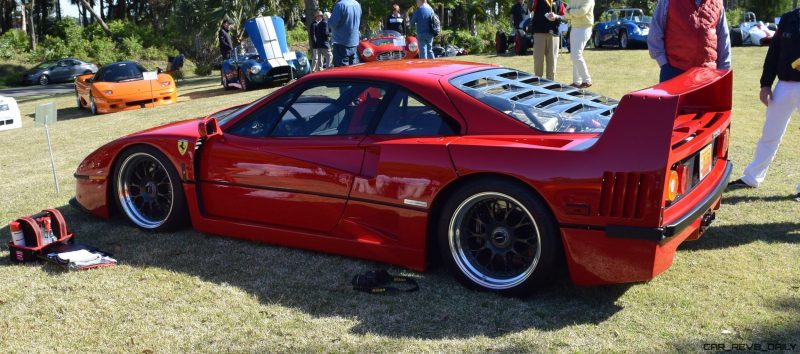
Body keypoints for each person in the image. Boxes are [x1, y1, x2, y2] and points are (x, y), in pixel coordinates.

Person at [728, 8, 800, 202]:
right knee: (770, 134)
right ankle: (752, 178)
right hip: (783, 85)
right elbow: (774, 51)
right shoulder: (788, 19)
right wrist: (765, 84)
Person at [647, 0, 731, 83]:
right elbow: (655, 32)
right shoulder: (668, 1)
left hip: (708, 75)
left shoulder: (717, 2)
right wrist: (664, 65)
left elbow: (723, 40)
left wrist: (723, 72)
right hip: (674, 72)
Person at [529, 0, 566, 80]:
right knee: (538, 62)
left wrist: (556, 16)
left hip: (554, 35)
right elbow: (530, 8)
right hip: (539, 33)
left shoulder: (559, 2)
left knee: (552, 63)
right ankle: (538, 84)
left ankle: (551, 86)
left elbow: (564, 17)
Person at [564, 0, 594, 88]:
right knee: (574, 55)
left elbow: (582, 12)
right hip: (574, 28)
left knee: (576, 54)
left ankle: (587, 80)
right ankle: (577, 82)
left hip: (584, 28)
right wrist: (572, 12)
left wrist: (571, 11)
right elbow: (566, 14)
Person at [329, 0, 362, 67]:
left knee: (342, 72)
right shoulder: (357, 4)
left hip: (341, 42)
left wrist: (328, 20)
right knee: (354, 69)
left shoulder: (340, 5)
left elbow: (333, 24)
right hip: (354, 42)